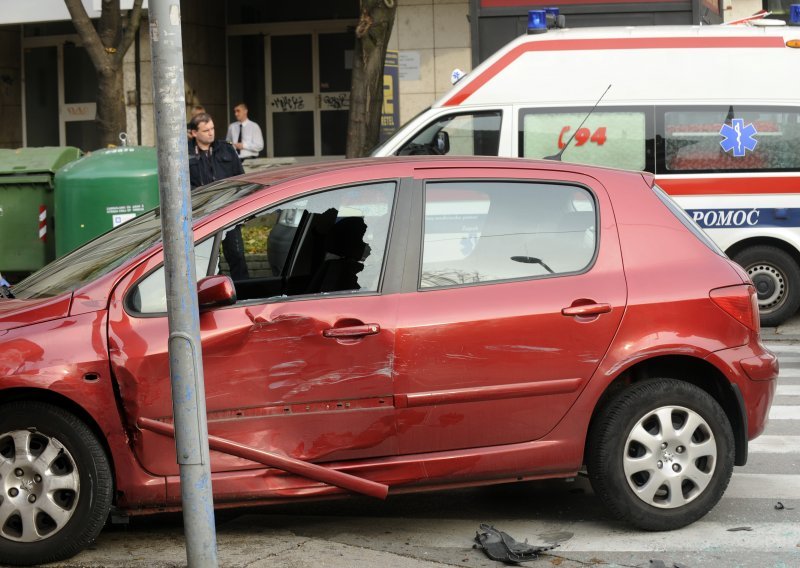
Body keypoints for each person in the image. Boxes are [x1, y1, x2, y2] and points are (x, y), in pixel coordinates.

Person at [188, 112, 249, 280]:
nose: (211, 133)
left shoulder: (226, 149)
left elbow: (240, 179)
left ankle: (245, 293)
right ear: (194, 133)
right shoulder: (185, 154)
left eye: (212, 128)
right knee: (209, 261)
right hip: (202, 215)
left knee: (236, 255)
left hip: (227, 211)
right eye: (206, 130)